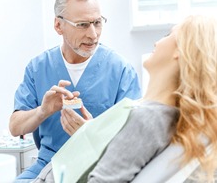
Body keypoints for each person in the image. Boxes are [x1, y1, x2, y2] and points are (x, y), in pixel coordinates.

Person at [31, 14, 217, 182]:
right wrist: (92, 133)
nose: (156, 43)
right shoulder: (160, 115)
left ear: (180, 50)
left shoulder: (148, 118)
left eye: (168, 35)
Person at [9, 0, 142, 180]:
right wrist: (43, 111)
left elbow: (135, 139)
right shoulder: (38, 68)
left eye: (97, 22)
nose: (93, 34)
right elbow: (15, 127)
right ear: (58, 25)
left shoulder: (120, 70)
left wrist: (92, 134)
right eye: (82, 25)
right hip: (48, 165)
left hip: (99, 167)